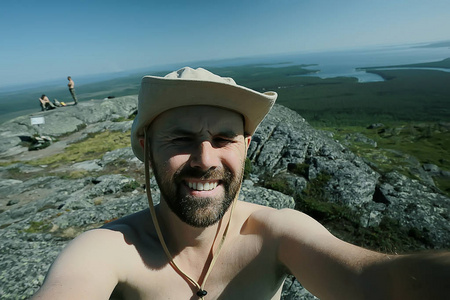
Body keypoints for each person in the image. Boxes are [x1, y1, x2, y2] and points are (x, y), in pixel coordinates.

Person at [32, 67, 449, 300]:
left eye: (224, 139)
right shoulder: (108, 248)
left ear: (247, 146)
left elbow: (379, 281)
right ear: (146, 145)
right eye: (180, 139)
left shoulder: (276, 233)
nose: (205, 160)